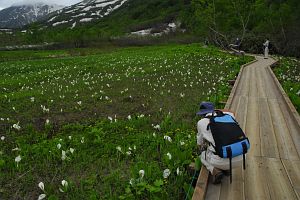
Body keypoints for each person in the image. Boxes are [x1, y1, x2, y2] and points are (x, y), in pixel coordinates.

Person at [196, 102, 243, 184]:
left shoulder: (201, 122)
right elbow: (229, 111)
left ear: (202, 114)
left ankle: (215, 171)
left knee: (202, 156)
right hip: (241, 158)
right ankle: (227, 170)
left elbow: (199, 143)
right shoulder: (229, 116)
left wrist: (203, 147)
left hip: (219, 162)